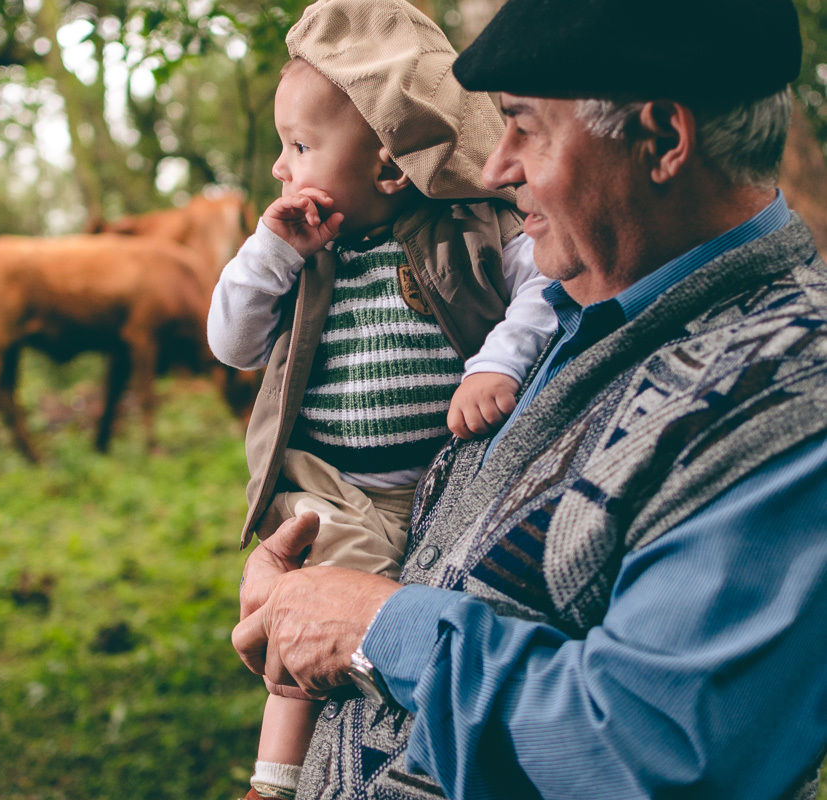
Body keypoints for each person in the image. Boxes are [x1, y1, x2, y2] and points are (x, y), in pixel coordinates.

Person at [231, 0, 827, 798]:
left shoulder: (789, 392)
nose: (493, 167)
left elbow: (651, 755)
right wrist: (305, 593)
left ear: (661, 140)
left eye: (524, 126)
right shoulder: (563, 309)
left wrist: (375, 628)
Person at [207, 2, 556, 798]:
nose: (280, 168)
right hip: (340, 483)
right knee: (312, 605)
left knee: (425, 611)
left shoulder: (471, 228)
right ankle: (276, 778)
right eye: (281, 146)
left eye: (299, 147)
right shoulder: (298, 251)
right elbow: (231, 344)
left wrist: (493, 366)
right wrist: (269, 253)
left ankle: (416, 755)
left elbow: (539, 291)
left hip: (446, 474)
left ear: (390, 168)